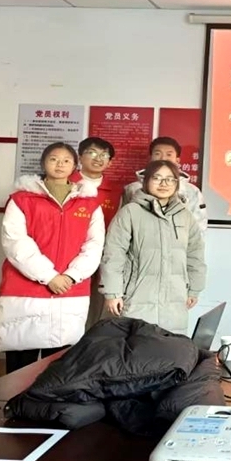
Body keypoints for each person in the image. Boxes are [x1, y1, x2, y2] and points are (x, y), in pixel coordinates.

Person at [0, 142, 105, 373]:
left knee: (59, 366)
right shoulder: (21, 200)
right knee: (20, 364)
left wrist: (71, 276)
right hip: (26, 289)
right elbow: (15, 241)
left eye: (66, 160)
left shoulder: (90, 203)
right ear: (43, 163)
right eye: (53, 159)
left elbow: (94, 246)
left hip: (69, 290)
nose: (60, 164)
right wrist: (49, 276)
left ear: (75, 165)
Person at [101, 160, 206, 335]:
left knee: (170, 346)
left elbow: (195, 255)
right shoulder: (130, 212)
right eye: (157, 178)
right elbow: (113, 254)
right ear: (146, 181)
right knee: (139, 345)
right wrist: (112, 293)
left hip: (175, 300)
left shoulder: (184, 215)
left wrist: (195, 289)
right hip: (136, 298)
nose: (164, 184)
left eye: (170, 179)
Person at [69, 137, 120, 331]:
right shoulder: (65, 182)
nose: (98, 158)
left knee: (95, 311)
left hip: (101, 259)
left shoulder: (116, 191)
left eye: (104, 155)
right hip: (68, 256)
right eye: (92, 153)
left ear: (110, 162)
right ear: (80, 157)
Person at [122, 137, 207, 235]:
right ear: (150, 158)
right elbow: (123, 225)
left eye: (169, 154)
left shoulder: (191, 191)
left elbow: (199, 227)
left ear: (177, 160)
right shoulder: (133, 189)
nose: (163, 158)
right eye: (157, 154)